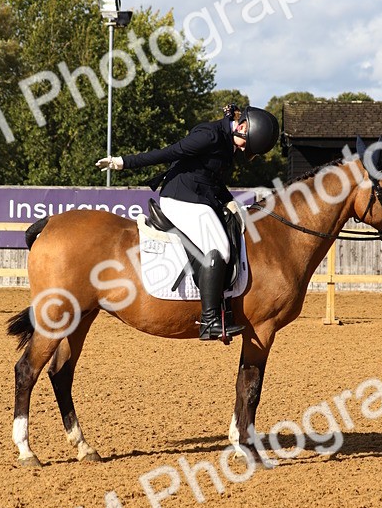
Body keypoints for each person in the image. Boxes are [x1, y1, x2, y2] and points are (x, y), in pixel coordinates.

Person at [96, 104, 280, 340]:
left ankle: (223, 310)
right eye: (246, 143)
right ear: (242, 127)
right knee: (219, 249)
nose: (244, 149)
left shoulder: (228, 139)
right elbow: (170, 152)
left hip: (201, 198)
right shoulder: (210, 136)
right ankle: (209, 320)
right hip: (181, 198)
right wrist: (124, 162)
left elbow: (211, 179)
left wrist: (231, 201)